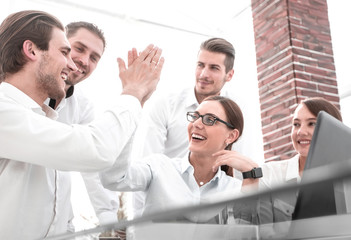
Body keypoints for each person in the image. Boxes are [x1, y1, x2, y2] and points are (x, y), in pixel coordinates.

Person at [0, 10, 163, 240]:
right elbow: (93, 149)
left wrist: (136, 99)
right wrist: (131, 93)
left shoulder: (50, 119)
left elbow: (66, 194)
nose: (73, 63)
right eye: (66, 51)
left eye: (95, 57)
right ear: (31, 50)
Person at [100, 96, 261, 225]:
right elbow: (114, 179)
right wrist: (132, 106)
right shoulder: (159, 167)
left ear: (231, 136)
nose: (196, 124)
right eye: (195, 117)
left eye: (209, 120)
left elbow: (246, 234)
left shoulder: (236, 189)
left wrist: (251, 178)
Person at [131, 37, 246, 217]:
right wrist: (137, 224)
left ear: (229, 75)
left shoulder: (236, 113)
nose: (203, 74)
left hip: (214, 208)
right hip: (166, 206)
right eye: (201, 65)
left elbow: (239, 165)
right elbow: (144, 164)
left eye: (214, 68)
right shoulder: (166, 105)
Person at [257, 97, 342, 238]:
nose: (301, 132)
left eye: (312, 124)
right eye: (296, 124)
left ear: (332, 130)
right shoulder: (270, 173)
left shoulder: (344, 179)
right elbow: (264, 233)